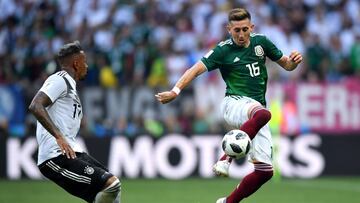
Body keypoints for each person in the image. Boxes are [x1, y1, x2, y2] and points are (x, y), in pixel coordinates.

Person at [155, 8, 302, 203]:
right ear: (228, 29)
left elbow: (286, 65)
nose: (241, 35)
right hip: (234, 103)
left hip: (255, 110)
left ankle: (227, 202)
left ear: (251, 27)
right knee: (263, 114)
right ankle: (226, 158)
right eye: (236, 30)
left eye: (244, 29)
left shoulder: (262, 43)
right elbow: (195, 69)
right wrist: (175, 91)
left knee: (265, 172)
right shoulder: (222, 50)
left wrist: (294, 62)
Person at [29, 41, 121, 203]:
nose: (87, 66)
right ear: (76, 64)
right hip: (55, 157)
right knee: (110, 184)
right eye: (84, 62)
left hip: (72, 152)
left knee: (113, 189)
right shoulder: (60, 79)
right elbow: (36, 105)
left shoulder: (70, 87)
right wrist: (58, 136)